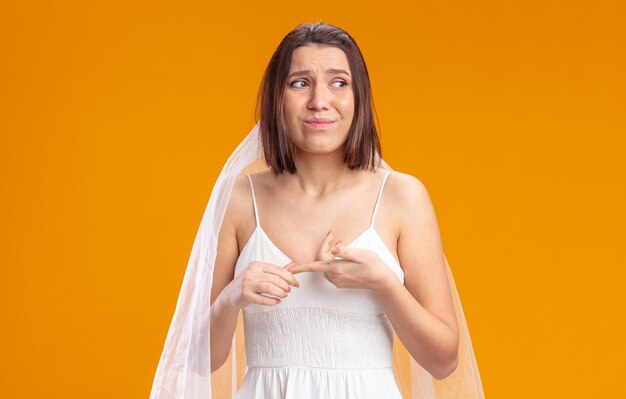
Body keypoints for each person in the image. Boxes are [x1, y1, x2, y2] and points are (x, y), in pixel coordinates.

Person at [150, 22, 484, 399]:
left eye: (339, 82)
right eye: (300, 83)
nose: (319, 101)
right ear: (276, 98)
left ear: (359, 98)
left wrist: (383, 283)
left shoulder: (402, 197)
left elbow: (443, 361)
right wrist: (232, 297)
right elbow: (199, 361)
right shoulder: (240, 199)